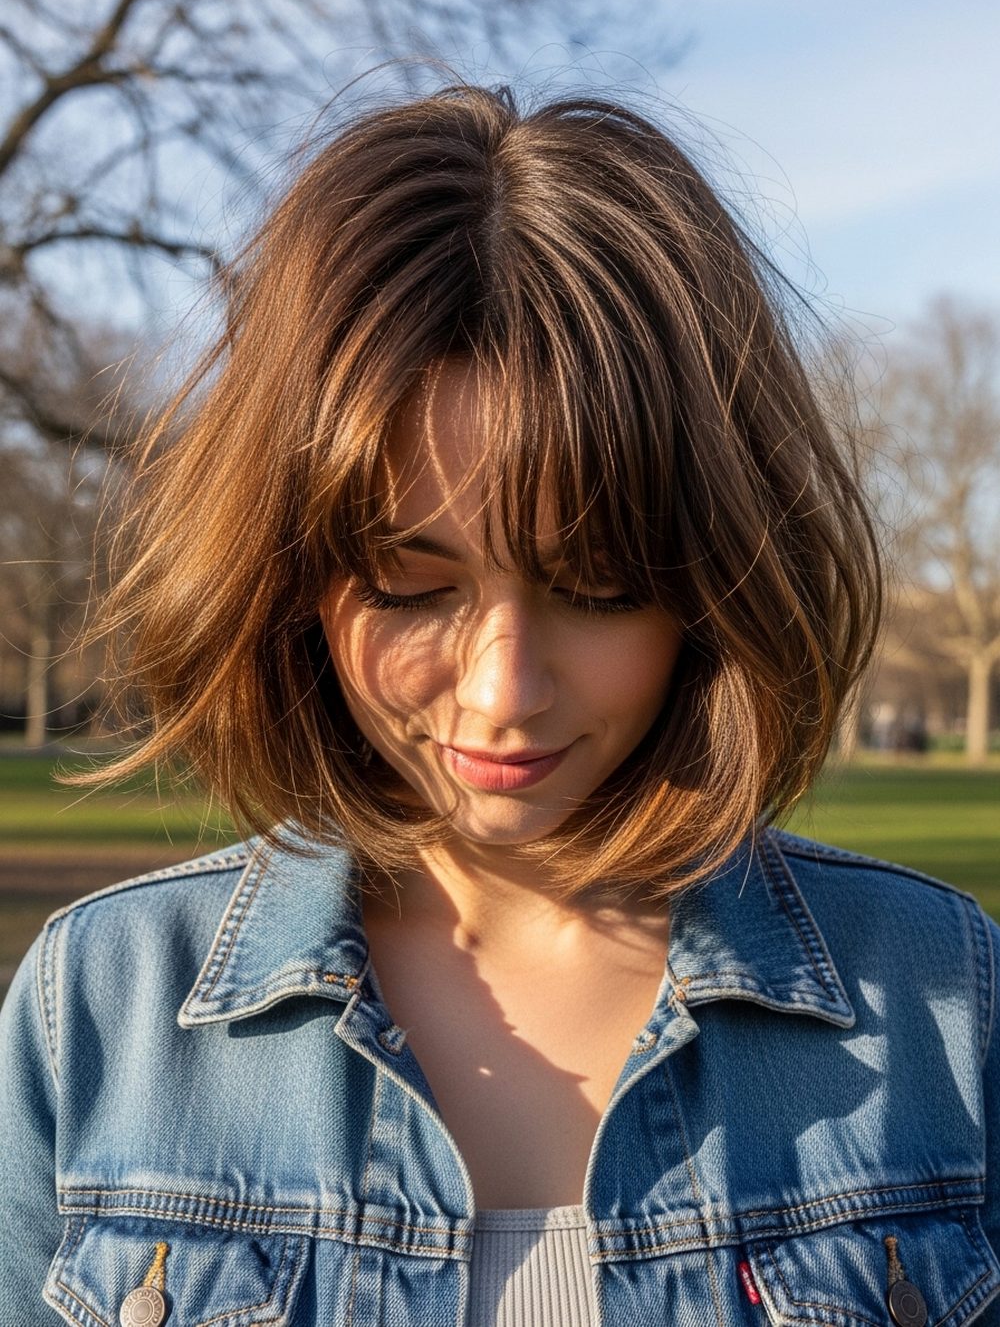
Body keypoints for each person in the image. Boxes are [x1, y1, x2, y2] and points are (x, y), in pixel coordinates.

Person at [1, 81, 998, 1327]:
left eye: (594, 588)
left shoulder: (945, 1000)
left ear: (715, 587)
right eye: (411, 588)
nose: (501, 692)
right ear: (290, 580)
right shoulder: (99, 1007)